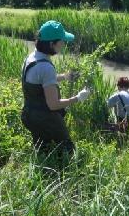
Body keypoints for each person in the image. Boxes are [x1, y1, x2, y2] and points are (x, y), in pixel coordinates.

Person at [21, 20, 90, 154]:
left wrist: (64, 77)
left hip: (29, 115)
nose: (63, 44)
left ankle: (44, 171)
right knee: (68, 151)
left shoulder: (31, 58)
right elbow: (53, 105)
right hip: (46, 119)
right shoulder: (46, 67)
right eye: (61, 41)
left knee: (42, 149)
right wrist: (78, 98)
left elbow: (40, 81)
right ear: (51, 44)